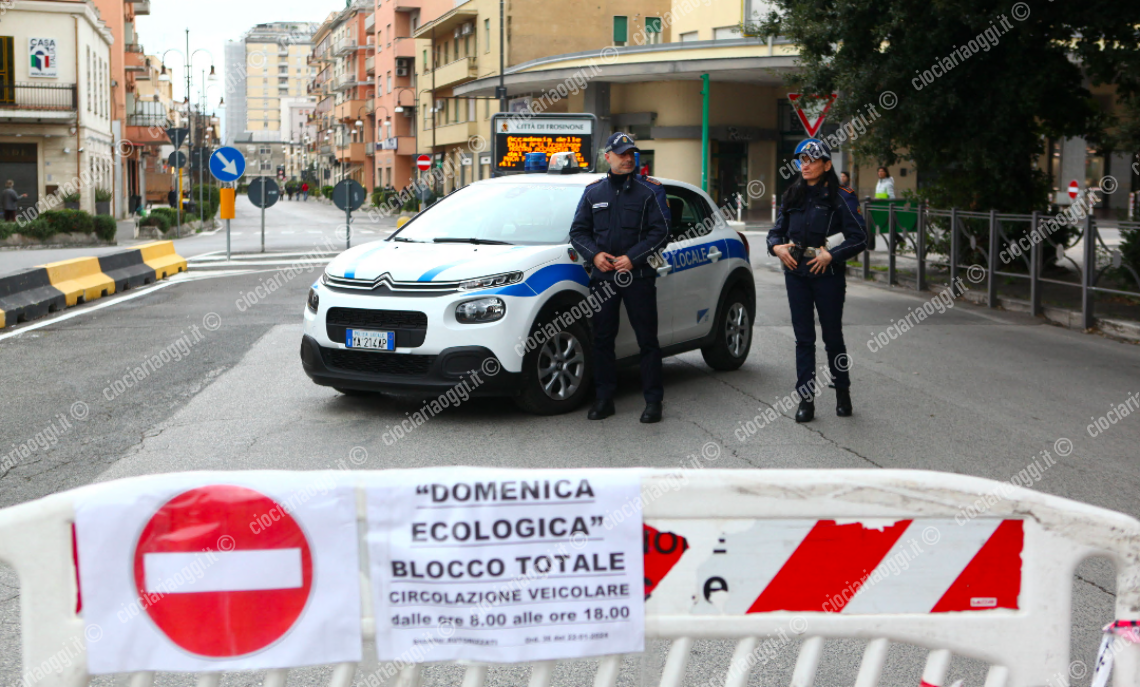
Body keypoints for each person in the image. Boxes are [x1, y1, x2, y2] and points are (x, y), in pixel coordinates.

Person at [569, 132, 670, 423]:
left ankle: (653, 401)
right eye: (622, 154)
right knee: (602, 339)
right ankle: (604, 399)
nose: (628, 159)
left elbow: (661, 231)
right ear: (608, 157)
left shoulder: (650, 190)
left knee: (647, 340)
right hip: (604, 277)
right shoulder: (593, 192)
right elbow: (578, 232)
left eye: (631, 154)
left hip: (637, 275)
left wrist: (633, 257)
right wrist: (595, 255)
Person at [767, 139, 866, 423]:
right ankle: (806, 400)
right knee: (803, 338)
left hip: (827, 275)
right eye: (802, 159)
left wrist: (831, 256)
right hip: (796, 271)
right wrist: (776, 247)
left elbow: (860, 237)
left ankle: (843, 392)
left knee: (832, 337)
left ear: (826, 164)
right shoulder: (792, 194)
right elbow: (776, 232)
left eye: (812, 159)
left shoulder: (841, 196)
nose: (805, 164)